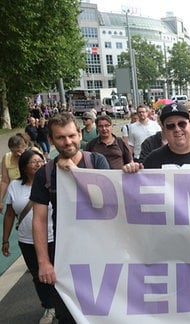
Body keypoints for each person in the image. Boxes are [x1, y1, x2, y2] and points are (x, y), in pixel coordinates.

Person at [32, 112, 110, 324]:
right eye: (60, 138)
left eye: (72, 135)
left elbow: (106, 204)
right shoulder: (45, 173)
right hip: (65, 257)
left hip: (102, 254)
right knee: (68, 315)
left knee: (105, 311)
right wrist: (44, 262)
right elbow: (38, 220)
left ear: (79, 134)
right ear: (51, 140)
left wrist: (76, 173)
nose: (68, 142)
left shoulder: (96, 161)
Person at [2, 150, 56, 324]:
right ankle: (49, 306)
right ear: (24, 167)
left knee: (59, 274)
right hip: (27, 241)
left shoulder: (52, 181)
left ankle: (63, 305)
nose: (39, 164)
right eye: (34, 162)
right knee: (39, 276)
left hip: (54, 237)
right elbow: (9, 215)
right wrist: (5, 240)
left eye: (41, 161)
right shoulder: (14, 187)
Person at [125, 103, 190, 172]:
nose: (177, 129)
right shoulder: (153, 159)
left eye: (182, 124)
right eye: (170, 126)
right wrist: (131, 172)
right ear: (164, 130)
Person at [0, 133, 32, 212]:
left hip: (31, 191)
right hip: (15, 192)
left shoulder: (32, 155)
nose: (17, 154)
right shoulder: (7, 157)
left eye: (19, 151)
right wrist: (0, 200)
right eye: (13, 152)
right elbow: (5, 180)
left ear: (25, 147)